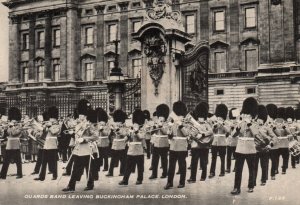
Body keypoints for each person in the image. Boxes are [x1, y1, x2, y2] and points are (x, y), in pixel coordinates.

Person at [62, 99, 98, 192]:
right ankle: (71, 186)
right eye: (80, 114)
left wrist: (85, 139)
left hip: (87, 149)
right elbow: (76, 135)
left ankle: (90, 184)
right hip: (78, 149)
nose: (80, 116)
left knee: (88, 168)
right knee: (75, 168)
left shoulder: (89, 125)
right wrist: (71, 133)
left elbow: (95, 136)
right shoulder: (77, 124)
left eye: (82, 115)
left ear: (86, 115)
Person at [231, 97, 258, 195]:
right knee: (238, 170)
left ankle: (251, 185)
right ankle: (236, 188)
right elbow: (233, 135)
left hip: (250, 148)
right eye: (245, 114)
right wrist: (237, 128)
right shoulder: (240, 122)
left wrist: (249, 124)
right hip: (240, 148)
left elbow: (256, 133)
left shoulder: (255, 122)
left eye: (248, 114)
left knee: (251, 169)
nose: (246, 115)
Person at [164, 101, 189, 190]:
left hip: (182, 146)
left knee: (182, 165)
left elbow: (186, 134)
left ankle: (182, 182)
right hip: (173, 146)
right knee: (171, 166)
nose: (179, 117)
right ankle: (169, 182)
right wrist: (169, 131)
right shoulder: (173, 122)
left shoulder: (186, 122)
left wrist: (181, 125)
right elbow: (170, 134)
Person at [187, 102, 213, 183]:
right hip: (195, 145)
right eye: (199, 117)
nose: (200, 119)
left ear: (204, 117)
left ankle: (203, 176)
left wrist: (202, 134)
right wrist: (190, 136)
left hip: (204, 146)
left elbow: (211, 132)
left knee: (204, 162)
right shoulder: (194, 124)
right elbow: (191, 132)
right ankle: (192, 177)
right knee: (194, 162)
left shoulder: (206, 124)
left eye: (202, 117)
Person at [119, 109, 146, 185]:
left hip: (139, 150)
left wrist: (136, 131)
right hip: (131, 150)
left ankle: (139, 179)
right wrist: (126, 137)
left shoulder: (142, 129)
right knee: (128, 166)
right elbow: (128, 137)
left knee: (140, 167)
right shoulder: (131, 128)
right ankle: (125, 180)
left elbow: (141, 137)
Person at [34, 106, 60, 181]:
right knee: (44, 161)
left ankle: (55, 175)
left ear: (55, 119)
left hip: (53, 145)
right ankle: (41, 176)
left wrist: (50, 126)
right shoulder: (48, 124)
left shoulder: (57, 125)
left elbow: (54, 132)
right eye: (50, 119)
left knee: (54, 161)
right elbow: (43, 134)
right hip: (46, 145)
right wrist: (44, 127)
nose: (50, 120)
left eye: (52, 119)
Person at [253, 105, 276, 186]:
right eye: (259, 119)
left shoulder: (267, 128)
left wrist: (270, 144)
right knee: (254, 167)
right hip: (255, 149)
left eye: (261, 119)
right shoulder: (253, 127)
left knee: (264, 166)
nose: (260, 121)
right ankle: (253, 181)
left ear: (264, 119)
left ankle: (263, 180)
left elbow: (274, 137)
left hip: (264, 149)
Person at [0, 107, 24, 179]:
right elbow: (7, 134)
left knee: (18, 161)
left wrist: (12, 126)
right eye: (12, 120)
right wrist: (4, 128)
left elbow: (14, 133)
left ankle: (20, 174)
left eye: (14, 120)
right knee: (6, 161)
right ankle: (2, 175)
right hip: (9, 144)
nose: (12, 121)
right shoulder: (9, 126)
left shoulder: (19, 126)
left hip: (16, 144)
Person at [149, 104, 170, 180]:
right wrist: (154, 127)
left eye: (162, 116)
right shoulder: (156, 123)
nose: (160, 118)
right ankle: (154, 174)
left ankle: (165, 173)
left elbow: (166, 132)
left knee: (164, 159)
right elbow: (151, 132)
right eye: (159, 116)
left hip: (164, 143)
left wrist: (161, 127)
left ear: (165, 117)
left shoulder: (167, 124)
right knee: (154, 160)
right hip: (156, 143)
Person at [209, 104, 230, 178]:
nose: (219, 118)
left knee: (222, 158)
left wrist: (223, 124)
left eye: (220, 117)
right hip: (215, 143)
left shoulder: (226, 123)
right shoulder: (215, 123)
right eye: (218, 117)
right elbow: (212, 131)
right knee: (213, 158)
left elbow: (228, 131)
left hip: (222, 143)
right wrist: (215, 126)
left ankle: (222, 171)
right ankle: (212, 172)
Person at [106, 109, 128, 177]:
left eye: (119, 121)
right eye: (117, 121)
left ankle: (122, 171)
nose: (118, 123)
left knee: (123, 159)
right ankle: (110, 172)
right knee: (113, 159)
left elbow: (125, 134)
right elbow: (110, 135)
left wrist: (118, 131)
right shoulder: (114, 125)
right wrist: (112, 131)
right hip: (115, 144)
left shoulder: (124, 126)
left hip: (122, 144)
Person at [94, 107, 110, 180]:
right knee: (98, 156)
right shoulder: (97, 125)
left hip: (105, 142)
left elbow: (107, 134)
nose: (101, 123)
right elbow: (96, 133)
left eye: (102, 122)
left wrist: (102, 130)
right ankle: (98, 167)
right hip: (99, 142)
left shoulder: (107, 126)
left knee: (106, 156)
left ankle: (106, 167)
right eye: (100, 122)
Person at [226, 108, 239, 173]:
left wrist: (235, 127)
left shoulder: (238, 122)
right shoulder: (228, 122)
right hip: (229, 141)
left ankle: (236, 167)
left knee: (236, 155)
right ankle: (228, 168)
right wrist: (230, 127)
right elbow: (227, 132)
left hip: (236, 141)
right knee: (228, 156)